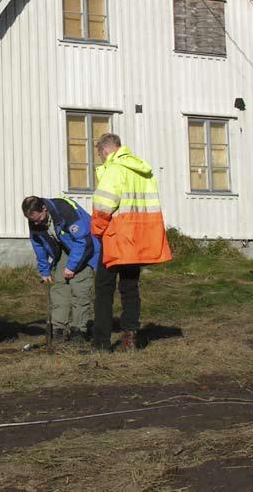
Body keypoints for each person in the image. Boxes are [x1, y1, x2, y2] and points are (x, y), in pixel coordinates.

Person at [90, 133, 172, 352]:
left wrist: (96, 231)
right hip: (137, 241)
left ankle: (101, 343)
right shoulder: (143, 171)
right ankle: (130, 337)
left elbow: (103, 205)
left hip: (116, 240)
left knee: (104, 291)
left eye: (100, 155)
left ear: (105, 150)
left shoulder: (115, 169)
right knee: (130, 289)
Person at [22, 196, 100, 342]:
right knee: (59, 286)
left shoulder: (65, 210)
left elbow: (83, 240)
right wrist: (44, 271)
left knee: (79, 287)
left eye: (38, 218)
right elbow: (38, 243)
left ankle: (79, 330)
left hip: (84, 247)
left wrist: (71, 267)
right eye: (32, 220)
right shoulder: (34, 219)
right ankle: (58, 329)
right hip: (63, 247)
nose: (35, 223)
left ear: (44, 208)